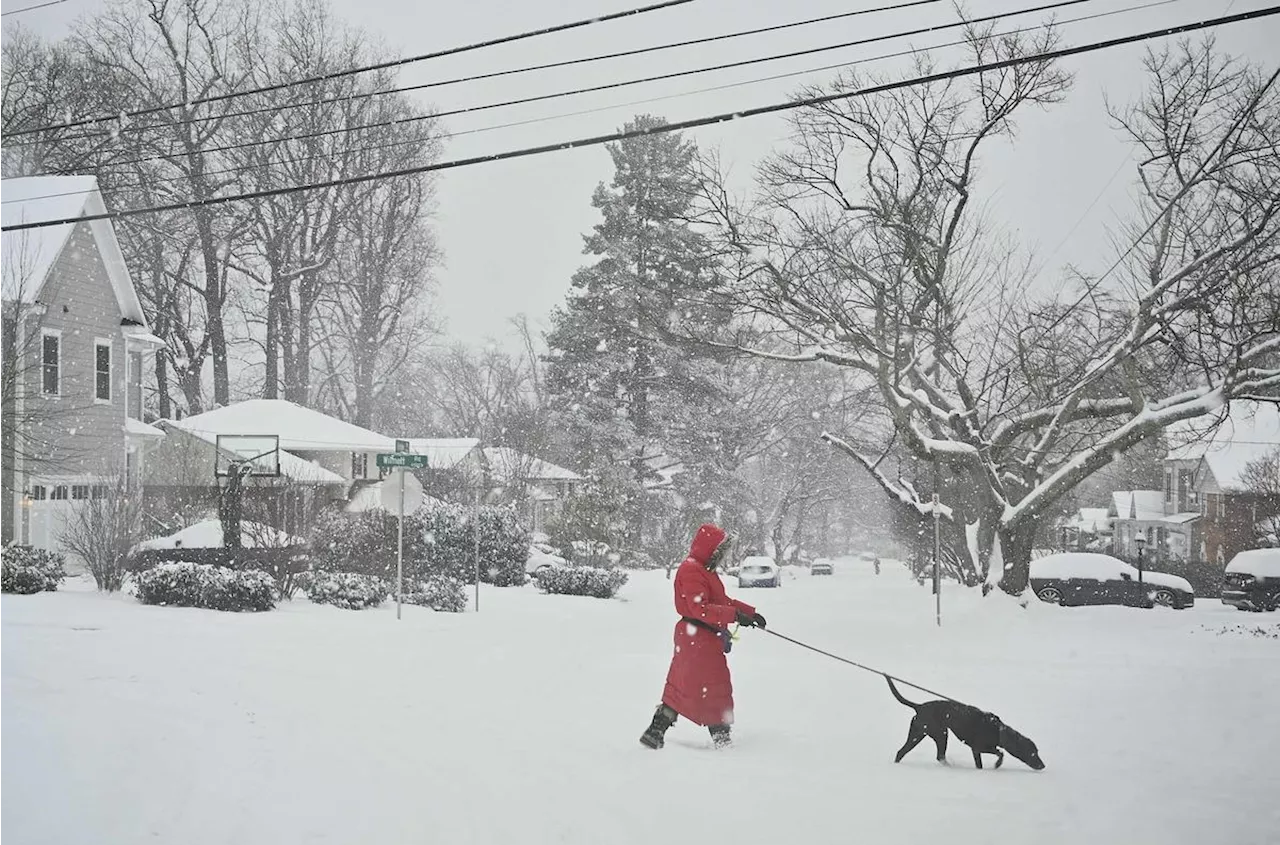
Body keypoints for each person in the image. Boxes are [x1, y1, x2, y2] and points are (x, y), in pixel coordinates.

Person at [639, 523, 767, 750]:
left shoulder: (703, 570)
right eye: (719, 550)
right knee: (710, 686)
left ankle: (656, 731)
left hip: (702, 639)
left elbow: (721, 601)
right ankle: (720, 737)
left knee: (687, 685)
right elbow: (700, 609)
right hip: (696, 638)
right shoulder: (691, 570)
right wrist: (735, 615)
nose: (722, 555)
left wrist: (748, 613)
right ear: (710, 548)